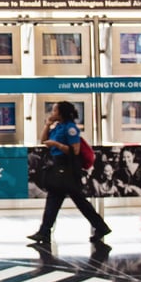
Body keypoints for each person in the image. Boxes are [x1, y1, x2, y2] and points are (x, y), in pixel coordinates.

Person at [27, 101, 111, 244]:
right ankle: (44, 231)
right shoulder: (58, 127)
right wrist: (47, 124)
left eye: (54, 111)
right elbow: (43, 140)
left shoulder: (71, 129)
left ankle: (45, 231)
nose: (52, 113)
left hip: (67, 168)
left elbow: (75, 150)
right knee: (55, 200)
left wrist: (57, 145)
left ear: (61, 113)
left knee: (77, 201)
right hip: (58, 167)